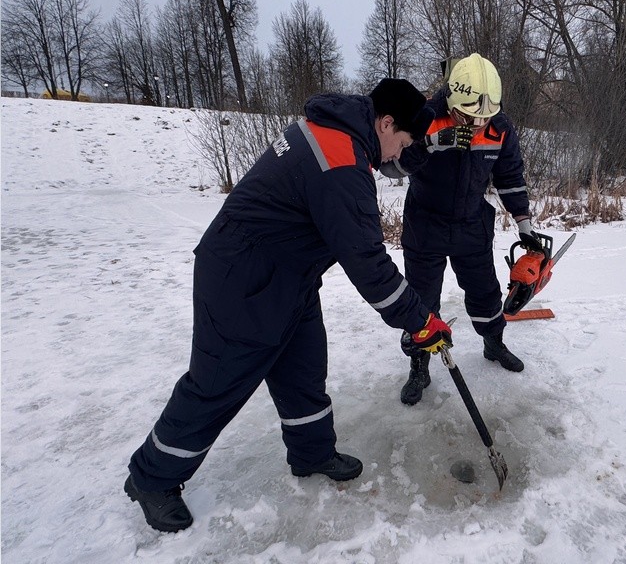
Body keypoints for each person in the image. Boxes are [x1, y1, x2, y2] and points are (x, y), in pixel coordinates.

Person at [124, 78, 453, 533]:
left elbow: (374, 193)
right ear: (385, 122)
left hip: (287, 275)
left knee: (303, 367)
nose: (398, 153)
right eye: (401, 141)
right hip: (242, 278)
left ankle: (312, 453)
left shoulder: (338, 130)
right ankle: (151, 477)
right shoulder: (341, 160)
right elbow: (367, 262)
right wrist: (420, 320)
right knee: (218, 380)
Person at [380, 53, 538, 406]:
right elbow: (391, 167)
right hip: (426, 222)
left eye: (485, 117)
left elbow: (510, 177)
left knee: (485, 291)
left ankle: (494, 343)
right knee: (421, 299)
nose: (478, 124)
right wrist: (431, 146)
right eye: (469, 117)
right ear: (452, 99)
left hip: (472, 221)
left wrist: (524, 224)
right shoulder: (424, 117)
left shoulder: (501, 127)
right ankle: (418, 365)